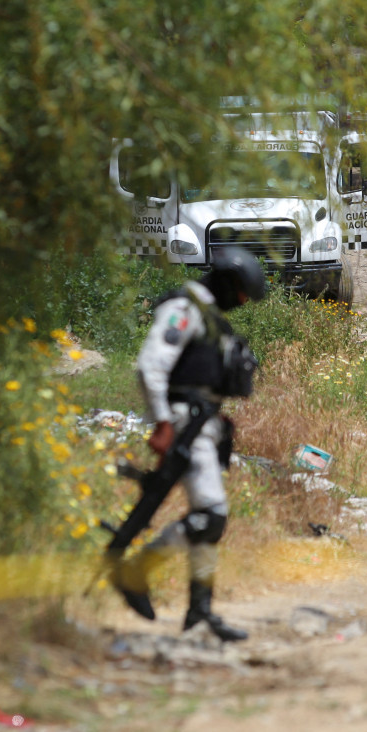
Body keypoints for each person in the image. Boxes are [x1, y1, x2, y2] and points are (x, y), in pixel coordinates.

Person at [109, 247, 266, 642]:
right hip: (183, 424)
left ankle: (200, 612)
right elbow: (151, 364)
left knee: (209, 519)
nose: (244, 301)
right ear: (230, 282)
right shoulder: (185, 308)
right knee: (211, 516)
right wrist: (162, 421)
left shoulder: (208, 314)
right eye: (244, 292)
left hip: (201, 423)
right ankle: (138, 570)